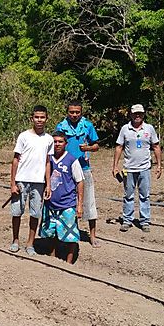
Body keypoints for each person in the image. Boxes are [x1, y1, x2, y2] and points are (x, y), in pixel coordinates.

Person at [56, 100, 101, 248]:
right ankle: (67, 232)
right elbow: (56, 144)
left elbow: (96, 145)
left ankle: (92, 235)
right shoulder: (61, 126)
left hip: (84, 168)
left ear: (81, 112)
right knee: (67, 201)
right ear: (67, 112)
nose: (74, 115)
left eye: (77, 112)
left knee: (89, 202)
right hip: (66, 169)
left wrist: (87, 148)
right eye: (71, 112)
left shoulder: (87, 125)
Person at [9, 105, 53, 256]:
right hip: (21, 180)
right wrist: (13, 183)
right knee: (17, 212)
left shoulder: (49, 139)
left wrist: (48, 184)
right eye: (37, 117)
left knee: (35, 213)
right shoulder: (24, 136)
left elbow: (48, 162)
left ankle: (30, 243)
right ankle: (15, 240)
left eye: (42, 117)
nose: (39, 120)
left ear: (47, 119)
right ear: (32, 118)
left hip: (38, 182)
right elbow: (15, 160)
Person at [112, 104, 163, 233]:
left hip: (145, 168)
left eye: (140, 113)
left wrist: (159, 165)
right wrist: (115, 166)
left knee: (144, 195)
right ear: (131, 114)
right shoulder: (125, 129)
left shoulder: (149, 129)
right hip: (129, 168)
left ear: (143, 114)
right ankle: (127, 220)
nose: (137, 116)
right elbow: (119, 147)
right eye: (135, 113)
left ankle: (144, 221)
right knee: (128, 195)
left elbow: (156, 147)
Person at [40, 131, 84, 264]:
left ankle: (69, 262)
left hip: (67, 203)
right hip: (50, 203)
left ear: (66, 143)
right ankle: (52, 257)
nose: (57, 144)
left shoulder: (72, 160)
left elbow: (80, 182)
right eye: (55, 142)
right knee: (50, 232)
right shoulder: (48, 159)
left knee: (70, 235)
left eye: (60, 141)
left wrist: (79, 204)